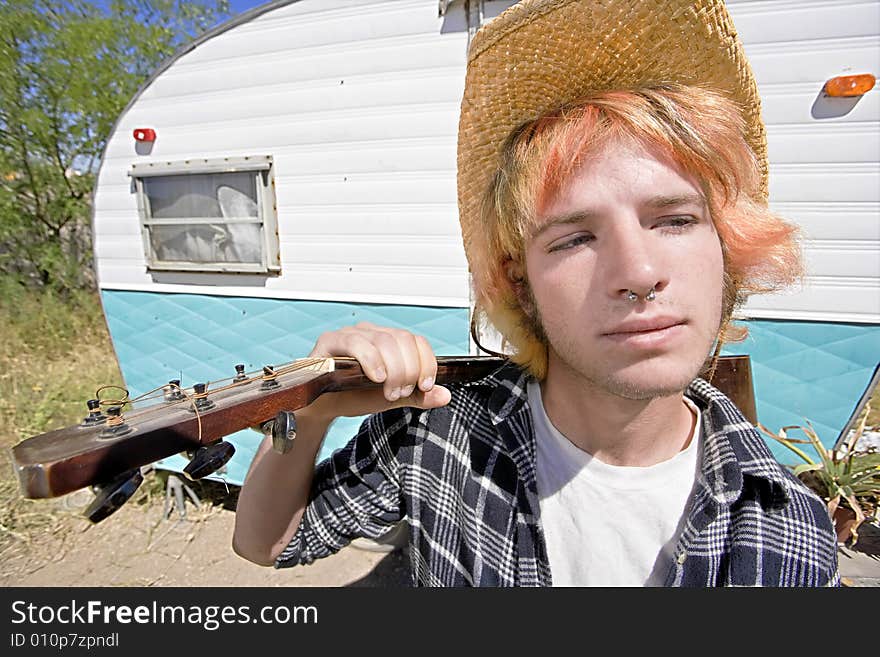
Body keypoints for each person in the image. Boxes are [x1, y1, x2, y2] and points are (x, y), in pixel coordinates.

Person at [232, 0, 839, 586]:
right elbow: (266, 545)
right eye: (575, 238)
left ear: (728, 246)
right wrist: (307, 416)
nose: (637, 270)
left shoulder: (791, 530)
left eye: (675, 220)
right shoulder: (437, 437)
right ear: (519, 284)